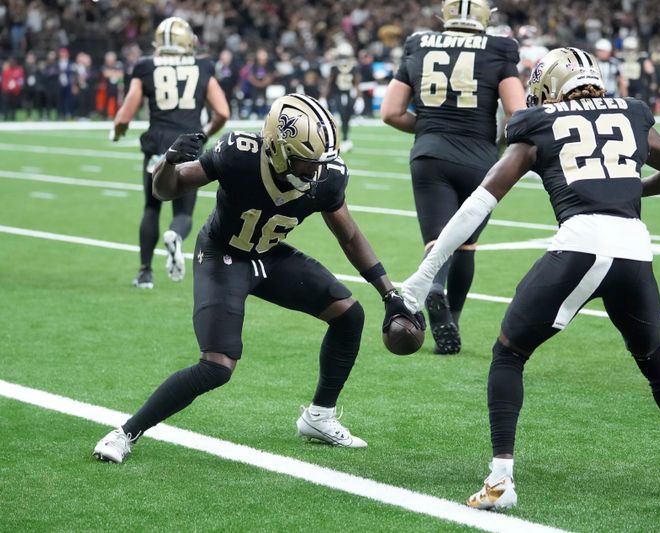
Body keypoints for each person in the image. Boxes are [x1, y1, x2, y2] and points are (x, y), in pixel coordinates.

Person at [402, 47, 660, 510]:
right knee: (654, 360)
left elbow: (480, 202)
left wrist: (424, 273)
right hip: (634, 247)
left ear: (551, 83)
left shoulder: (538, 123)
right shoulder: (632, 113)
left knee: (509, 351)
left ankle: (500, 480)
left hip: (581, 242)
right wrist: (629, 189)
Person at [93, 93, 424, 463]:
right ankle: (125, 433)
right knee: (217, 365)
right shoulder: (238, 152)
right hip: (223, 255)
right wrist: (169, 161)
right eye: (306, 161)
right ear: (279, 150)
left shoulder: (327, 176)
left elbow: (348, 235)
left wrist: (389, 293)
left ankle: (319, 417)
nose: (316, 171)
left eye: (319, 162)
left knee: (349, 314)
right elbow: (165, 189)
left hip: (268, 254)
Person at [381, 0, 525, 354]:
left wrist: (432, 127)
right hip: (478, 157)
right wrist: (494, 139)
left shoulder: (419, 43)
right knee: (465, 245)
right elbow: (518, 114)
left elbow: (390, 112)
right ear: (483, 18)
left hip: (429, 153)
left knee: (437, 242)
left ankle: (433, 288)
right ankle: (453, 321)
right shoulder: (499, 48)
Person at [110, 17, 230, 289]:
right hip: (189, 143)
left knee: (151, 207)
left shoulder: (145, 65)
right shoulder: (202, 65)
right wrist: (204, 134)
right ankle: (175, 235)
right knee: (184, 213)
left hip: (158, 144)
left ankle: (144, 273)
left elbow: (124, 116)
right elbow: (222, 112)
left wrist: (117, 132)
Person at [326, 42, 359, 153]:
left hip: (349, 94)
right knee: (338, 117)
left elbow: (356, 82)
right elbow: (329, 83)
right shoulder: (334, 67)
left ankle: (345, 138)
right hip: (337, 94)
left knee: (347, 117)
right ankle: (335, 140)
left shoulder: (353, 67)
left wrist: (359, 96)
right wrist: (325, 97)